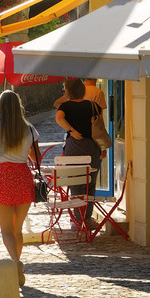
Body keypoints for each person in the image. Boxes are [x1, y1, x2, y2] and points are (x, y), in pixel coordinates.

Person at [0, 89, 41, 282]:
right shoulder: (30, 129)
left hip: (3, 176)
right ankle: (17, 263)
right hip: (23, 176)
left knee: (6, 230)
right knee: (17, 229)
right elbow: (36, 158)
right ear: (19, 107)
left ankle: (16, 262)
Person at [55, 77, 104, 223]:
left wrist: (71, 129)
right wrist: (102, 147)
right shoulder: (93, 105)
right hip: (91, 146)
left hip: (73, 146)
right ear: (82, 90)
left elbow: (59, 118)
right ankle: (87, 218)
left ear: (68, 91)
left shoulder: (65, 106)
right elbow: (100, 129)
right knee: (90, 182)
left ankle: (78, 217)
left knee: (75, 181)